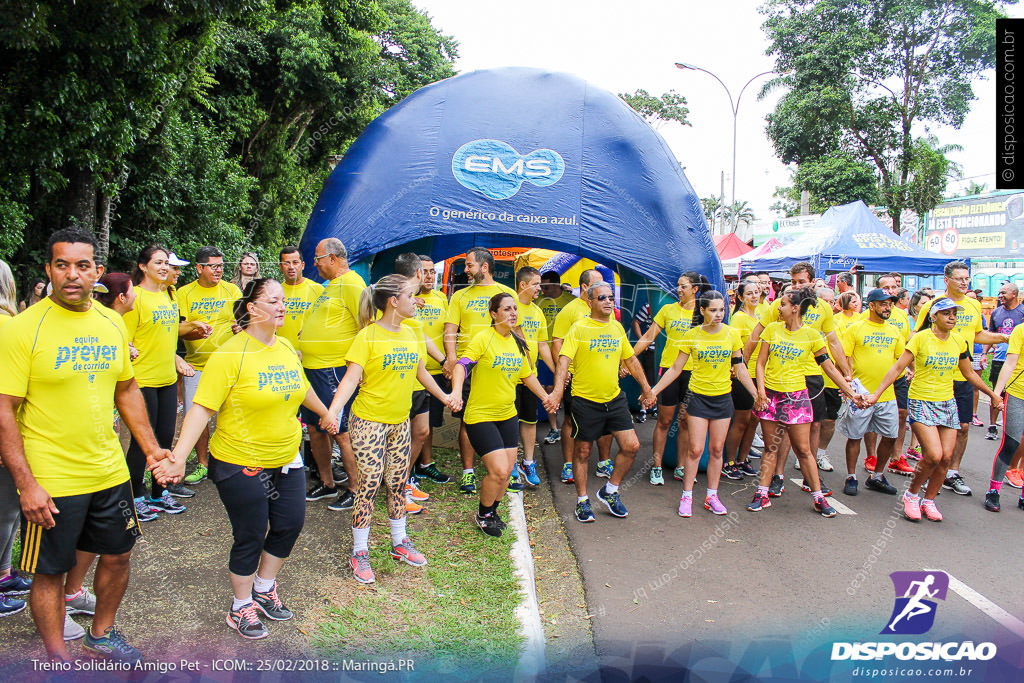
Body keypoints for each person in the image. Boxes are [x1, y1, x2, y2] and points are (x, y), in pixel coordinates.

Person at [0, 228, 174, 662]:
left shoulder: (110, 321)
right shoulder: (22, 330)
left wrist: (151, 450)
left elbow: (127, 389)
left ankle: (102, 634)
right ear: (49, 270)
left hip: (109, 470)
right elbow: (4, 410)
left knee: (118, 555)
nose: (72, 275)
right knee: (50, 571)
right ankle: (58, 659)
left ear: (97, 271)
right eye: (62, 265)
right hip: (52, 478)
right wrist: (26, 485)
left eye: (82, 266)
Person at [158, 278, 334, 639]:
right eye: (274, 301)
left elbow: (301, 389)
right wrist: (178, 456)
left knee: (289, 524)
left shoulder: (285, 346)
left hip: (287, 457)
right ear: (252, 308)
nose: (282, 306)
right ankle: (240, 608)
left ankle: (264, 587)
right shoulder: (230, 354)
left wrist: (326, 413)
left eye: (283, 300)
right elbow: (201, 409)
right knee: (251, 534)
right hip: (240, 460)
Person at [323, 275, 456, 583]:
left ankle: (399, 543)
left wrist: (445, 397)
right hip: (369, 421)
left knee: (397, 483)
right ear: (394, 302)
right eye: (411, 296)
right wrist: (333, 411)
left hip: (400, 422)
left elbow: (421, 372)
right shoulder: (367, 337)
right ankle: (360, 552)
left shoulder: (411, 333)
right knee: (368, 486)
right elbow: (350, 379)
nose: (416, 300)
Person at [871, 297, 1002, 521]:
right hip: (921, 400)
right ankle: (912, 495)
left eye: (954, 314)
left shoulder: (960, 341)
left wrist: (992, 394)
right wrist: (876, 394)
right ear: (934, 316)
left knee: (946, 458)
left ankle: (929, 500)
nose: (951, 318)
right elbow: (898, 368)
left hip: (947, 401)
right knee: (932, 454)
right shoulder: (920, 339)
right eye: (946, 313)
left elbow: (969, 373)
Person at [747, 288, 864, 517]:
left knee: (803, 450)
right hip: (771, 396)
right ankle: (761, 493)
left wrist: (850, 392)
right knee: (771, 448)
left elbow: (828, 367)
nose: (778, 308)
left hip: (797, 399)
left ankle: (818, 498)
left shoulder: (811, 335)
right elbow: (760, 363)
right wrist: (760, 392)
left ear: (795, 308)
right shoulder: (772, 330)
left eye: (782, 304)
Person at [546, 282, 656, 522]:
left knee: (631, 446)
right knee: (583, 451)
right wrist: (556, 392)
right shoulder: (579, 328)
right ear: (590, 302)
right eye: (602, 298)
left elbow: (631, 360)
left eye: (610, 297)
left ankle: (610, 490)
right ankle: (582, 501)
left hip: (614, 399)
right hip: (584, 400)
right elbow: (564, 360)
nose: (608, 301)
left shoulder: (617, 328)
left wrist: (647, 389)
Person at [451, 292, 551, 535]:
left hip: (508, 414)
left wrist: (546, 398)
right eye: (506, 309)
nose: (513, 313)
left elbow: (527, 376)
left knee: (506, 473)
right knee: (497, 470)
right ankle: (483, 515)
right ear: (494, 314)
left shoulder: (517, 341)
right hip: (481, 415)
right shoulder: (483, 338)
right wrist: (456, 392)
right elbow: (461, 365)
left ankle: (492, 511)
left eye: (514, 309)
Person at [651, 288, 756, 516]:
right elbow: (676, 368)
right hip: (698, 398)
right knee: (696, 449)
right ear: (702, 310)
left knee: (717, 450)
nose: (719, 314)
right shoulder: (692, 335)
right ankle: (686, 497)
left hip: (722, 398)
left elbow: (739, 367)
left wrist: (757, 395)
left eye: (722, 310)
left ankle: (712, 496)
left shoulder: (731, 334)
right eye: (713, 310)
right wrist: (654, 390)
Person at [913, 262, 1007, 495]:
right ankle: (927, 470)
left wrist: (1003, 338)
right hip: (935, 377)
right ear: (947, 280)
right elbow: (917, 336)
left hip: (963, 375)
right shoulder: (933, 305)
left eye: (967, 278)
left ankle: (951, 473)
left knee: (963, 426)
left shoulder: (974, 305)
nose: (965, 282)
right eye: (960, 279)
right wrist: (914, 368)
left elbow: (978, 335)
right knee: (933, 429)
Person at [121, 245, 195, 518]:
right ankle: (135, 495)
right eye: (158, 262)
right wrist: (128, 348)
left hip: (166, 379)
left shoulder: (168, 297)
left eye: (167, 262)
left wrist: (177, 361)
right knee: (143, 442)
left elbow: (168, 338)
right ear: (143, 266)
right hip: (142, 380)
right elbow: (124, 338)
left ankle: (158, 491)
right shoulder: (135, 297)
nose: (164, 267)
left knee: (165, 438)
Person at [442, 248, 518, 494]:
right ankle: (468, 472)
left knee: (504, 414)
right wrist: (452, 359)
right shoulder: (460, 296)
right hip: (468, 365)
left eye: (469, 265)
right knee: (468, 418)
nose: (466, 269)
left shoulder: (506, 295)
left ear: (484, 267)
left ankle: (504, 468)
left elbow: (517, 330)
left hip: (499, 364)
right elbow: (451, 329)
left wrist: (525, 361)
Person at [298, 238, 363, 510]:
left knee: (340, 431)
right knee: (314, 427)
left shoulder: (352, 284)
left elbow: (366, 325)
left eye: (318, 258)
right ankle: (326, 483)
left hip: (333, 370)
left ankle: (355, 488)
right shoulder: (331, 286)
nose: (315, 263)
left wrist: (357, 369)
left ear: (333, 258)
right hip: (314, 368)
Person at [176, 246, 243, 484]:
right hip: (196, 365)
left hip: (229, 365)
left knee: (232, 413)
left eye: (221, 266)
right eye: (214, 266)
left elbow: (243, 320)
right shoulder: (184, 293)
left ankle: (231, 460)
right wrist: (194, 327)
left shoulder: (232, 289)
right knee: (197, 415)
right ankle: (203, 463)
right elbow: (177, 328)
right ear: (199, 268)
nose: (219, 270)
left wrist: (240, 327)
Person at [632, 271, 701, 486]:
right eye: (678, 286)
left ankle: (681, 467)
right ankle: (656, 467)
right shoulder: (668, 309)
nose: (679, 289)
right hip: (669, 371)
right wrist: (630, 358)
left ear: (695, 289)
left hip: (695, 373)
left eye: (683, 286)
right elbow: (648, 336)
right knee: (663, 421)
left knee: (685, 423)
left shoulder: (703, 313)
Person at [837, 289, 905, 497]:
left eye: (890, 304)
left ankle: (877, 476)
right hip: (861, 395)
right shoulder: (856, 328)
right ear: (872, 305)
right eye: (883, 303)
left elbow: (900, 361)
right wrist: (848, 384)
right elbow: (845, 356)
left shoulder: (894, 331)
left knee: (891, 436)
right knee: (855, 436)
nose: (888, 307)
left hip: (886, 395)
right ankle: (851, 476)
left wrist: (909, 372)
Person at [550, 269, 612, 484]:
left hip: (603, 375)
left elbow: (613, 335)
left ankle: (604, 462)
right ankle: (568, 464)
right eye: (597, 285)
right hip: (576, 375)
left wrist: (620, 364)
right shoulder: (570, 310)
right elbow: (557, 340)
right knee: (570, 419)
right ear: (585, 287)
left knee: (607, 417)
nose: (603, 292)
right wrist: (562, 370)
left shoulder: (605, 308)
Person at [860, 274, 915, 477]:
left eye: (895, 287)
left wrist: (910, 368)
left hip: (896, 374)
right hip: (870, 377)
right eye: (887, 287)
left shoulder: (900, 315)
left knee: (901, 414)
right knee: (871, 417)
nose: (892, 291)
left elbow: (907, 345)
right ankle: (871, 455)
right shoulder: (863, 318)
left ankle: (896, 456)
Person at [0, 258, 29, 618]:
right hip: (8, 430)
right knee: (4, 510)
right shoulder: (9, 327)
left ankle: (5, 575)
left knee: (8, 509)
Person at [411, 255, 454, 485]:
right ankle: (407, 470)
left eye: (431, 271)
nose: (428, 276)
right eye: (424, 271)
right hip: (411, 371)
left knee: (428, 424)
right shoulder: (404, 299)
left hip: (436, 370)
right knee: (411, 423)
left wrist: (448, 362)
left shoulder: (441, 299)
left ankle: (425, 464)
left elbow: (448, 332)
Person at [512, 267, 557, 488]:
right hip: (511, 377)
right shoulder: (510, 307)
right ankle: (510, 464)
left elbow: (543, 345)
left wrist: (558, 371)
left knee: (529, 420)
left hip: (532, 377)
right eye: (537, 284)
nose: (540, 288)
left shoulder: (537, 312)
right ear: (523, 285)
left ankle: (527, 462)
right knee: (510, 420)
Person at [723, 281, 761, 480]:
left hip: (760, 375)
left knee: (753, 421)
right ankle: (729, 461)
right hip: (742, 374)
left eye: (757, 292)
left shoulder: (762, 316)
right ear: (740, 297)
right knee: (741, 420)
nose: (754, 296)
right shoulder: (738, 318)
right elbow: (734, 349)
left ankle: (743, 459)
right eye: (749, 293)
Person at [985, 321, 1024, 512]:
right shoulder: (1020, 330)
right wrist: (997, 393)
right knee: (1011, 443)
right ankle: (993, 491)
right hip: (1018, 393)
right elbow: (1010, 363)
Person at [537, 270, 575, 443]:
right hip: (546, 354)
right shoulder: (539, 302)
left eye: (546, 286)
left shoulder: (571, 302)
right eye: (541, 286)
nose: (543, 290)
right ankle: (554, 428)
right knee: (550, 389)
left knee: (572, 390)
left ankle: (573, 425)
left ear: (556, 285)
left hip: (569, 354)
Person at [984, 282, 1024, 442]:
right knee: (997, 392)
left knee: (1012, 396)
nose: (1000, 296)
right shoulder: (996, 312)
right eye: (999, 293)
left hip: (1017, 360)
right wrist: (985, 353)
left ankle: (1013, 426)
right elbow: (990, 334)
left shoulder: (1021, 312)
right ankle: (992, 426)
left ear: (1014, 294)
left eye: (1003, 293)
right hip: (1000, 357)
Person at [277, 246, 324, 349]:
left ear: (302, 265)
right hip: (282, 353)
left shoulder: (318, 290)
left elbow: (327, 321)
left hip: (311, 355)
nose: (291, 267)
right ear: (280, 266)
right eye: (286, 263)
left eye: (295, 262)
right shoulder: (275, 292)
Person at [630, 298, 657, 425]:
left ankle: (656, 406)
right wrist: (643, 341)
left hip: (664, 350)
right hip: (651, 350)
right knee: (645, 378)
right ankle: (643, 409)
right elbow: (635, 322)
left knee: (658, 378)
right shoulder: (648, 306)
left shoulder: (669, 306)